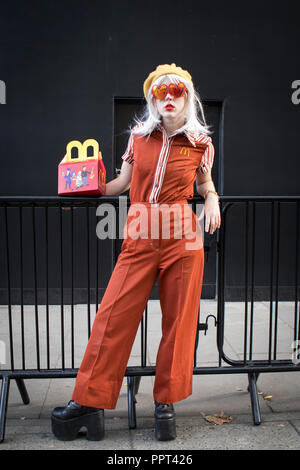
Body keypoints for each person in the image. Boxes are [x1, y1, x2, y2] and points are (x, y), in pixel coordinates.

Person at [51, 63, 221, 442]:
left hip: (182, 233)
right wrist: (82, 192)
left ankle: (165, 406)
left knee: (179, 322)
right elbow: (121, 184)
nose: (169, 98)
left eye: (176, 91)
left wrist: (211, 198)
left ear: (187, 97)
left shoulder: (200, 143)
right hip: (141, 230)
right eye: (161, 92)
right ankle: (89, 402)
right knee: (113, 316)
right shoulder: (138, 139)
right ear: (152, 99)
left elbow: (206, 183)